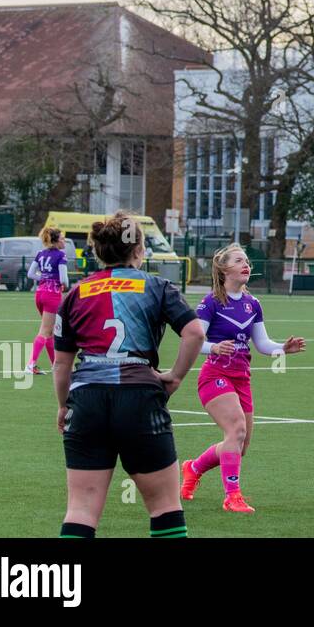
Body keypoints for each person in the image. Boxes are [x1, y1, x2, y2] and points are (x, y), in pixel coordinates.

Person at [52, 211, 204, 538]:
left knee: (80, 510)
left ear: (98, 251)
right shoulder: (157, 286)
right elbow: (194, 333)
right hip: (139, 395)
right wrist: (175, 377)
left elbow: (61, 364)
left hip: (88, 399)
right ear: (138, 250)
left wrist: (65, 405)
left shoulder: (76, 293)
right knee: (164, 506)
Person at [180, 244, 305, 513]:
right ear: (224, 269)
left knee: (240, 444)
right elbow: (193, 339)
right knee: (235, 430)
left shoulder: (253, 303)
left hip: (241, 378)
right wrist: (212, 347)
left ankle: (193, 467)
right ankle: (232, 497)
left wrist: (283, 348)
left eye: (247, 261)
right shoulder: (211, 302)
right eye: (239, 261)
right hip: (214, 375)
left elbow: (261, 343)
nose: (246, 264)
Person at [26, 227, 69, 375]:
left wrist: (44, 277)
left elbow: (31, 274)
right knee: (45, 331)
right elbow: (64, 279)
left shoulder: (41, 254)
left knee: (49, 331)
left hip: (40, 294)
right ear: (56, 241)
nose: (64, 241)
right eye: (62, 239)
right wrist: (64, 285)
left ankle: (55, 365)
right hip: (52, 295)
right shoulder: (61, 255)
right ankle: (31, 364)